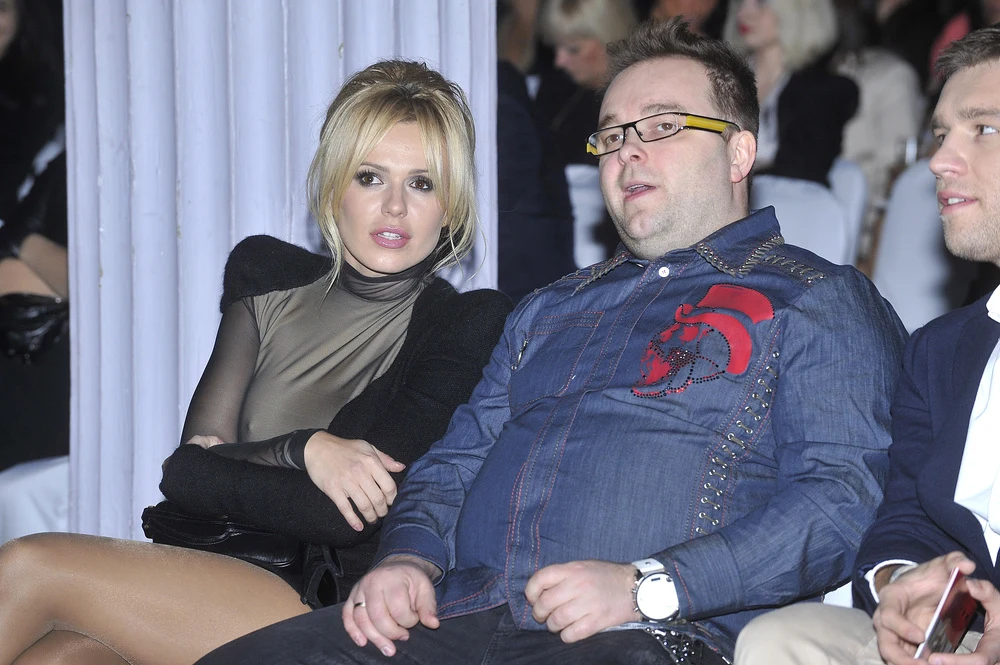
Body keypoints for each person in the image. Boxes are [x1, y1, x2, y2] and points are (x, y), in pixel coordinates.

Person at [197, 18, 907, 665]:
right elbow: (452, 465)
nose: (628, 151)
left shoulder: (815, 297)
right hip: (454, 618)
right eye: (613, 135)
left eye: (663, 126)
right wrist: (408, 558)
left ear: (738, 152)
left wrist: (648, 586)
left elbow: (840, 498)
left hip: (643, 636)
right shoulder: (550, 308)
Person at [0, 59, 512, 665]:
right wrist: (304, 450)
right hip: (200, 568)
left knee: (28, 564)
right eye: (370, 177)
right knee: (57, 657)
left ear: (450, 207)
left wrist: (230, 462)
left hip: (321, 601)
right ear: (334, 187)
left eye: (422, 184)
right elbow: (182, 472)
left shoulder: (465, 323)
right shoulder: (266, 276)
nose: (395, 206)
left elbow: (339, 517)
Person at [734, 25, 1000, 665]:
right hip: (962, 630)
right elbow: (908, 513)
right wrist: (902, 584)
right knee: (779, 641)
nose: (939, 160)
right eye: (941, 134)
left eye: (984, 129)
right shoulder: (942, 351)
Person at [724, 0, 859, 186]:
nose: (743, 13)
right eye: (740, 2)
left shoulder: (822, 91)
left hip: (786, 200)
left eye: (761, 2)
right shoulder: (719, 77)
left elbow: (804, 169)